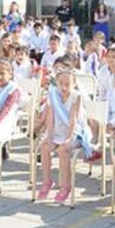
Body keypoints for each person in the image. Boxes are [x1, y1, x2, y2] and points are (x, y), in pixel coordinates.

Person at [38, 70, 90, 203]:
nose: (64, 87)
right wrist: (49, 136)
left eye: (68, 84)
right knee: (44, 147)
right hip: (57, 131)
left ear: (74, 84)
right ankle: (47, 181)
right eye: (61, 83)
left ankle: (66, 185)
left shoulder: (76, 96)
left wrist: (68, 138)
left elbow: (73, 120)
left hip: (76, 132)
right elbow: (51, 118)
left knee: (63, 149)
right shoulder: (53, 94)